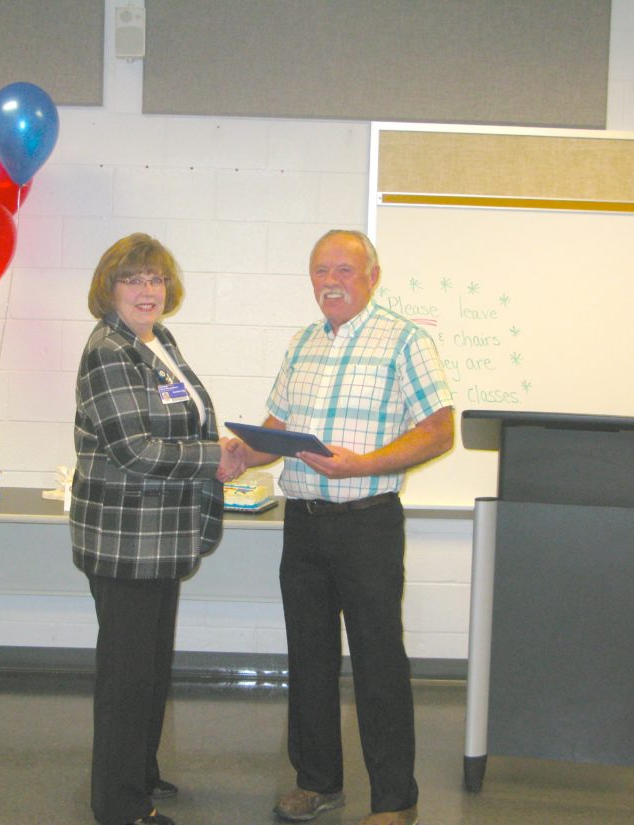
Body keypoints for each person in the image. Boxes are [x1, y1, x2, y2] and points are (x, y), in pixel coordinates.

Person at [230, 229, 454, 825]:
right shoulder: (302, 343)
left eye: (344, 270)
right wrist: (242, 452)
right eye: (320, 271)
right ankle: (318, 783)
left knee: (379, 662)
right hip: (303, 524)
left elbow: (439, 431)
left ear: (372, 277)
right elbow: (279, 427)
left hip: (367, 523)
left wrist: (365, 464)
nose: (330, 281)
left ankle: (395, 802)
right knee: (309, 658)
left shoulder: (406, 341)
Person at [70, 233, 245, 825]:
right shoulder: (108, 350)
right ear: (109, 287)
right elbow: (134, 450)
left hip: (163, 535)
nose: (148, 290)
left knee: (149, 669)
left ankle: (139, 773)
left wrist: (221, 446)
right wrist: (214, 458)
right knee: (126, 677)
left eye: (156, 279)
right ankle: (119, 806)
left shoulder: (156, 340)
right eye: (134, 279)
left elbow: (181, 422)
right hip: (126, 540)